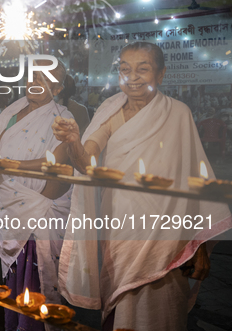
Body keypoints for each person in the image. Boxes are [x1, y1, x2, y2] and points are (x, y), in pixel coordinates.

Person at [52, 42, 232, 330]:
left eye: (142, 68)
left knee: (163, 307)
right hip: (122, 226)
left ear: (160, 75)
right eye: (125, 69)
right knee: (122, 298)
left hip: (169, 232)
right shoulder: (110, 113)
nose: (132, 76)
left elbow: (196, 182)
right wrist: (73, 141)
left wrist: (198, 244)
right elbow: (87, 165)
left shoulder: (179, 113)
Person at [0, 64, 73, 331]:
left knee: (36, 278)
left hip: (38, 206)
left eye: (45, 78)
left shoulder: (63, 118)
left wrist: (3, 166)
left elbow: (55, 164)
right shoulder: (12, 112)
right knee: (15, 278)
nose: (36, 81)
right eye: (33, 76)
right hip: (9, 206)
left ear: (58, 88)